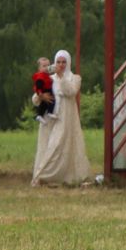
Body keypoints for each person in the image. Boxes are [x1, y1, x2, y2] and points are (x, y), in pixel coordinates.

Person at [31, 51, 91, 187]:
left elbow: (71, 91)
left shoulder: (75, 78)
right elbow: (35, 98)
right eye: (58, 62)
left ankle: (48, 175)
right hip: (49, 118)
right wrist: (41, 96)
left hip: (65, 118)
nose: (61, 65)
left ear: (68, 63)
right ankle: (43, 176)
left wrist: (61, 76)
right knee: (47, 146)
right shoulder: (49, 78)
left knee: (58, 146)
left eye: (64, 62)